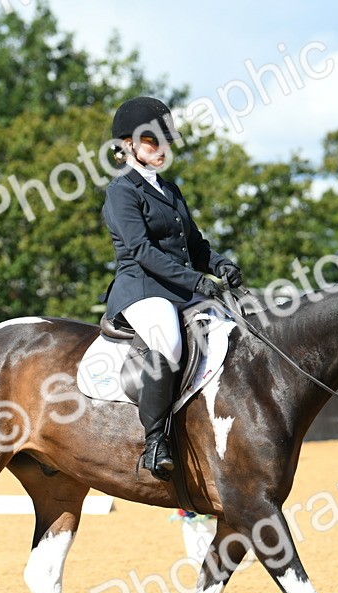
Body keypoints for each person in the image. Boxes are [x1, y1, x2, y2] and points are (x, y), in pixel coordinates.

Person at [100, 96, 243, 481]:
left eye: (165, 141)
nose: (161, 149)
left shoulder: (170, 189)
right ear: (127, 145)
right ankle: (155, 442)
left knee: (237, 326)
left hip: (182, 287)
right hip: (143, 289)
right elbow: (143, 251)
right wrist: (197, 281)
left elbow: (194, 246)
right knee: (169, 343)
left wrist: (220, 265)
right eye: (152, 142)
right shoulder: (122, 192)